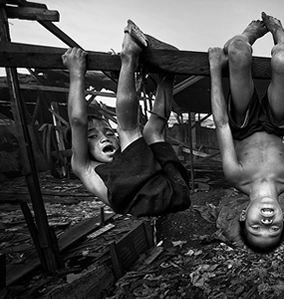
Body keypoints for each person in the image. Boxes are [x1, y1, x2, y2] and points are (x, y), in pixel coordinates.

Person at [208, 12, 284, 252]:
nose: (266, 222)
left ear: (244, 215)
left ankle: (249, 34)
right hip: (275, 122)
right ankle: (280, 33)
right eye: (274, 228)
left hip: (242, 122)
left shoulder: (236, 175)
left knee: (237, 51)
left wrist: (215, 68)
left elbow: (222, 124)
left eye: (256, 228)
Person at [62, 20, 191, 217]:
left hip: (173, 186)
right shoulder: (83, 166)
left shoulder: (127, 158)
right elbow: (78, 121)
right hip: (149, 198)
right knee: (132, 130)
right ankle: (128, 55)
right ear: (80, 146)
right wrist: (76, 73)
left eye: (107, 133)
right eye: (92, 137)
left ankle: (167, 77)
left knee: (151, 131)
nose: (104, 138)